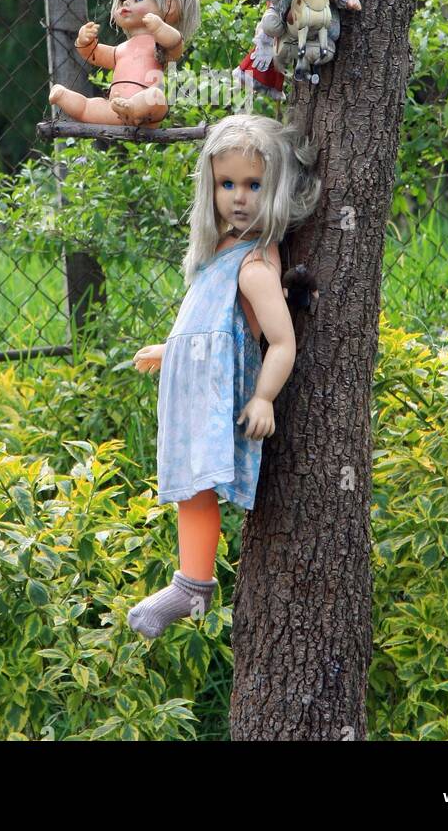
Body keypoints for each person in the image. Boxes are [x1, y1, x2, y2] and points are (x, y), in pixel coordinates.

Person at [128, 113, 321, 638]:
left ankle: (194, 583)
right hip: (195, 386)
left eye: (254, 184)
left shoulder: (255, 266)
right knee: (188, 485)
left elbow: (282, 342)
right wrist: (171, 351)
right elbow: (213, 322)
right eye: (227, 183)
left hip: (221, 397)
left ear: (276, 187)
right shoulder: (220, 253)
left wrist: (263, 399)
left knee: (198, 489)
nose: (239, 197)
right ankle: (190, 579)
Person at [48, 0, 200, 127]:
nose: (126, 3)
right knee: (88, 106)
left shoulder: (160, 45)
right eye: (121, 0)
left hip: (146, 113)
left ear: (168, 5)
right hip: (115, 110)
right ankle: (62, 95)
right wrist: (85, 42)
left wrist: (159, 27)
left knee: (156, 96)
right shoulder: (121, 49)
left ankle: (134, 108)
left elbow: (175, 44)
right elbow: (95, 55)